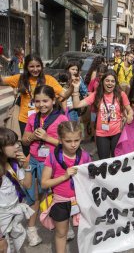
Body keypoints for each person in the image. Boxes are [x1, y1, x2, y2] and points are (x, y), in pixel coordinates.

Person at [21, 85, 69, 246]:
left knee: (58, 196)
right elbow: (24, 138)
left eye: (45, 101)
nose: (41, 105)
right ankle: (32, 230)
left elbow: (67, 144)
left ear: (53, 100)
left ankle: (63, 225)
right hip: (35, 162)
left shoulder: (61, 119)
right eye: (37, 101)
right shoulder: (32, 118)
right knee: (36, 196)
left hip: (54, 164)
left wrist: (47, 138)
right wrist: (30, 138)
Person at [0, 55, 70, 151]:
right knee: (27, 147)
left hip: (45, 119)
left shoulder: (48, 79)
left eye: (38, 66)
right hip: (25, 120)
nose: (35, 69)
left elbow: (64, 95)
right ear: (26, 67)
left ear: (42, 66)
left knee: (44, 145)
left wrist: (74, 88)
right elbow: (2, 81)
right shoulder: (20, 78)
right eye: (31, 66)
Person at [41, 121, 92, 253]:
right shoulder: (52, 157)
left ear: (81, 139)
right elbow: (44, 183)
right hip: (60, 201)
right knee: (61, 233)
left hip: (80, 201)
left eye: (77, 140)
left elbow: (92, 177)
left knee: (85, 232)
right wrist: (64, 177)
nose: (73, 144)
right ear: (60, 139)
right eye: (68, 141)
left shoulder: (85, 156)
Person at [72, 71, 133, 159]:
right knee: (104, 161)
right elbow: (77, 105)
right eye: (107, 80)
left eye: (112, 81)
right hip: (102, 134)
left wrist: (130, 115)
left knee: (117, 160)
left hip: (117, 132)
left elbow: (129, 110)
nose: (110, 83)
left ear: (115, 83)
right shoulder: (97, 95)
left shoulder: (121, 94)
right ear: (103, 82)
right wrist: (76, 89)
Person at [0, 127, 33, 252]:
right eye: (12, 144)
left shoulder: (13, 162)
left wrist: (27, 166)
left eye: (16, 142)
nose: (17, 146)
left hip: (13, 215)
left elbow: (27, 185)